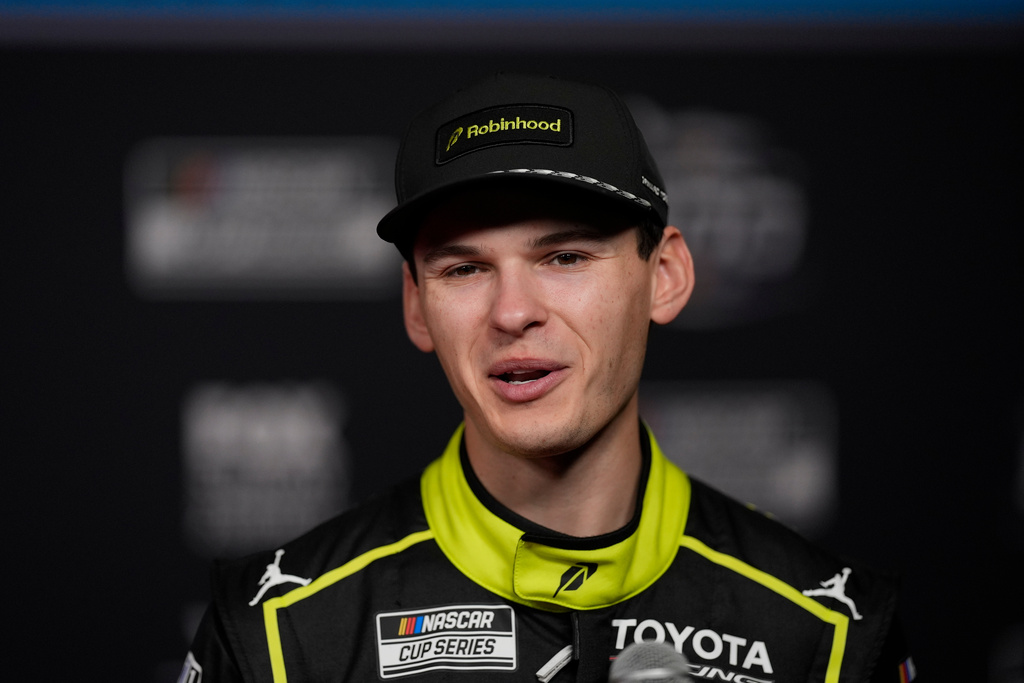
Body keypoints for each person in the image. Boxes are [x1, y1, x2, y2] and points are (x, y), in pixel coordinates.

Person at [181, 72, 913, 683]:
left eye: (565, 257)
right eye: (464, 269)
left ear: (664, 275)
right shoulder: (278, 633)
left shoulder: (827, 633)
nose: (512, 312)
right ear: (416, 306)